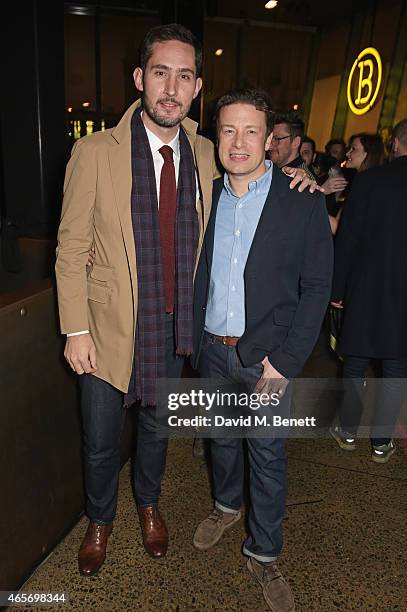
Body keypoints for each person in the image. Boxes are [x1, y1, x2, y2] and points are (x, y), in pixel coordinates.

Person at [55, 24, 317, 577]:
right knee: (100, 440)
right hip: (105, 329)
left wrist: (299, 177)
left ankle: (148, 504)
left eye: (184, 76)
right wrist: (75, 327)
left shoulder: (208, 152)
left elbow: (256, 181)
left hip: (175, 325)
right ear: (139, 78)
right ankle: (100, 518)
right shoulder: (94, 151)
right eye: (160, 73)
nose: (171, 88)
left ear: (197, 87)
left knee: (156, 432)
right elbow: (71, 245)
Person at [192, 89, 333, 612]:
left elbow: (317, 286)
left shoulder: (302, 200)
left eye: (252, 131)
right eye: (229, 130)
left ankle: (265, 551)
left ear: (270, 138)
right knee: (222, 441)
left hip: (267, 358)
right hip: (212, 350)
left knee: (268, 456)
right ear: (217, 135)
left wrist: (287, 362)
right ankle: (227, 507)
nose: (239, 141)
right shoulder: (204, 196)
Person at [330, 121, 407, 463]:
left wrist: (338, 287)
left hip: (365, 288)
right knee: (395, 370)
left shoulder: (370, 180)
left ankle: (347, 431)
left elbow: (347, 239)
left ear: (395, 144)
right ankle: (380, 442)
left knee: (355, 364)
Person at [269, 111, 316, 179]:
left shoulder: (300, 180)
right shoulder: (273, 169)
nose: (269, 146)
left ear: (295, 142)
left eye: (276, 139)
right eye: (269, 138)